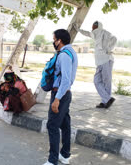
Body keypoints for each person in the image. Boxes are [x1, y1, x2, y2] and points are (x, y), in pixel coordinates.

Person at [43, 29, 78, 165]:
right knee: (65, 124)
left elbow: (65, 80)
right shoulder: (71, 52)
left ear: (60, 40)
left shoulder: (64, 55)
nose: (53, 42)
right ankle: (65, 155)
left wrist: (57, 99)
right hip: (65, 94)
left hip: (61, 94)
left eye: (54, 39)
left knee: (52, 125)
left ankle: (52, 160)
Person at [74, 21, 117, 109]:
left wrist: (109, 49)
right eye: (92, 26)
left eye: (94, 26)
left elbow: (114, 38)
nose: (92, 28)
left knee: (106, 81)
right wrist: (78, 29)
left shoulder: (104, 33)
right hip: (99, 62)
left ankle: (105, 101)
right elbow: (87, 33)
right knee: (97, 81)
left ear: (98, 27)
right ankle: (107, 99)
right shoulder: (95, 34)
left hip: (107, 60)